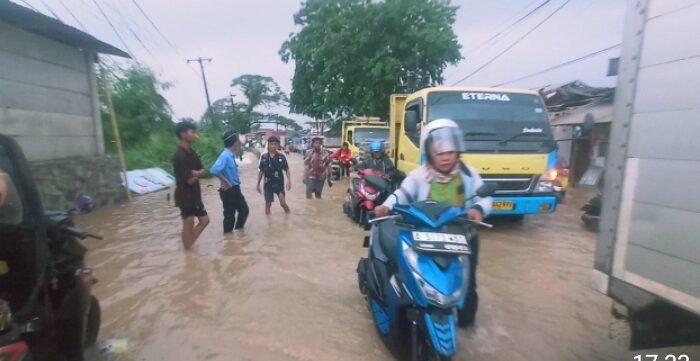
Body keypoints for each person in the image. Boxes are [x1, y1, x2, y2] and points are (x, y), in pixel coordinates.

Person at [374, 119, 492, 327]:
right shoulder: (420, 175)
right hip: (425, 240)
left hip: (463, 240)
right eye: (439, 152)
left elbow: (485, 198)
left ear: (458, 151)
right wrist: (385, 206)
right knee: (417, 280)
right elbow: (402, 193)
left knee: (467, 285)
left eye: (449, 151)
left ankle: (465, 328)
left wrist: (478, 209)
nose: (445, 157)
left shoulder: (469, 175)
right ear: (429, 153)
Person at [172, 121, 210, 249]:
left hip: (195, 194)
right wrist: (195, 173)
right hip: (185, 196)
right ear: (183, 134)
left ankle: (187, 245)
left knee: (205, 220)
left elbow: (203, 171)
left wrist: (195, 173)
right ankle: (188, 250)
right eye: (192, 132)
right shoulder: (179, 156)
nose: (196, 135)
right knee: (188, 221)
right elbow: (189, 180)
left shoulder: (192, 153)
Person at [210, 131, 249, 233]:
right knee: (243, 211)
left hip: (230, 189)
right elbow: (214, 170)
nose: (240, 143)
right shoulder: (225, 156)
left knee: (230, 215)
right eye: (238, 141)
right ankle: (237, 233)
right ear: (235, 143)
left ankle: (229, 240)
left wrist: (225, 182)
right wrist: (226, 181)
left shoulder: (230, 155)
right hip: (231, 189)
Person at [257, 136, 292, 215]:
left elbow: (286, 169)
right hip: (267, 184)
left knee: (282, 203)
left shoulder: (281, 157)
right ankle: (269, 223)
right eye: (271, 144)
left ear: (278, 145)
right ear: (268, 145)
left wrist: (289, 181)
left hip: (279, 183)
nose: (273, 146)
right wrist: (258, 184)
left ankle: (288, 216)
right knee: (268, 206)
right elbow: (261, 171)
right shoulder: (264, 157)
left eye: (275, 144)